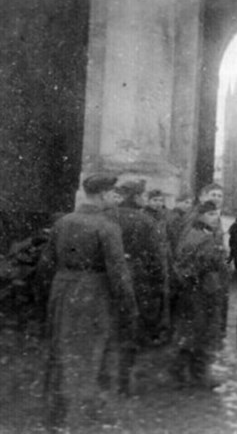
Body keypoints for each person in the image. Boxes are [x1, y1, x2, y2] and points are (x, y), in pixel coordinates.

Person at [40, 173, 138, 429]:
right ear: (104, 194)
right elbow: (118, 273)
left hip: (62, 292)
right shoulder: (107, 227)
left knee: (61, 351)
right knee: (90, 352)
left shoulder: (63, 222)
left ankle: (57, 415)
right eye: (112, 192)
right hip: (93, 294)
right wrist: (129, 307)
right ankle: (80, 418)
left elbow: (45, 265)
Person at [110, 180, 169, 395]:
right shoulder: (145, 221)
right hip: (138, 279)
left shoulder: (108, 216)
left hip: (110, 278)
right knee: (130, 328)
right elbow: (156, 257)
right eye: (142, 196)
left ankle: (104, 378)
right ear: (136, 197)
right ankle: (124, 381)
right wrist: (159, 284)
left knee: (110, 325)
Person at [170, 201, 227, 389]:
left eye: (216, 214)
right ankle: (197, 374)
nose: (215, 218)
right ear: (201, 216)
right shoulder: (201, 237)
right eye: (211, 214)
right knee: (201, 332)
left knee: (191, 332)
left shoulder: (193, 233)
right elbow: (202, 262)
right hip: (201, 291)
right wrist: (218, 255)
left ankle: (182, 371)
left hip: (195, 290)